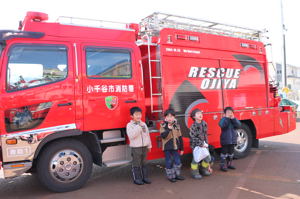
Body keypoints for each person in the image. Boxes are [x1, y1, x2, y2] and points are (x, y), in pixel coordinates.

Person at [126, 107, 152, 185]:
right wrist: (138, 127)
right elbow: (131, 136)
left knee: (144, 162)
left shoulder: (143, 124)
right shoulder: (129, 125)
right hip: (136, 147)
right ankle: (137, 178)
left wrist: (149, 145)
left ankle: (145, 177)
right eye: (136, 114)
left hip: (144, 147)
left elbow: (147, 135)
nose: (138, 116)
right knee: (136, 163)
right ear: (131, 116)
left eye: (139, 114)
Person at [160, 109, 185, 182]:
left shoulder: (177, 125)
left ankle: (177, 174)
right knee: (169, 162)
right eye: (168, 116)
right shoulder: (163, 125)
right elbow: (163, 136)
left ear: (174, 117)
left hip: (175, 147)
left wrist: (182, 148)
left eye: (171, 116)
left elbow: (180, 137)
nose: (170, 118)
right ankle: (171, 176)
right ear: (165, 118)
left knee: (177, 161)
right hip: (167, 148)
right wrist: (168, 129)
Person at [189, 109, 213, 179]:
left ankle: (203, 169)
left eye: (201, 113)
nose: (200, 115)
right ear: (194, 117)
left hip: (204, 144)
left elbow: (205, 135)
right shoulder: (193, 126)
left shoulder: (204, 123)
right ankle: (194, 172)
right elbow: (193, 137)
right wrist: (200, 144)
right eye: (198, 113)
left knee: (208, 158)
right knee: (196, 159)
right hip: (196, 146)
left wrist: (206, 144)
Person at [218, 106, 241, 172]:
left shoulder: (233, 120)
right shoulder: (223, 119)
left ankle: (229, 164)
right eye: (228, 112)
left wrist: (233, 118)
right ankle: (222, 165)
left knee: (231, 152)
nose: (229, 114)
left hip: (232, 140)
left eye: (231, 112)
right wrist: (226, 118)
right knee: (224, 152)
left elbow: (238, 125)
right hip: (225, 140)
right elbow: (222, 125)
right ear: (224, 114)